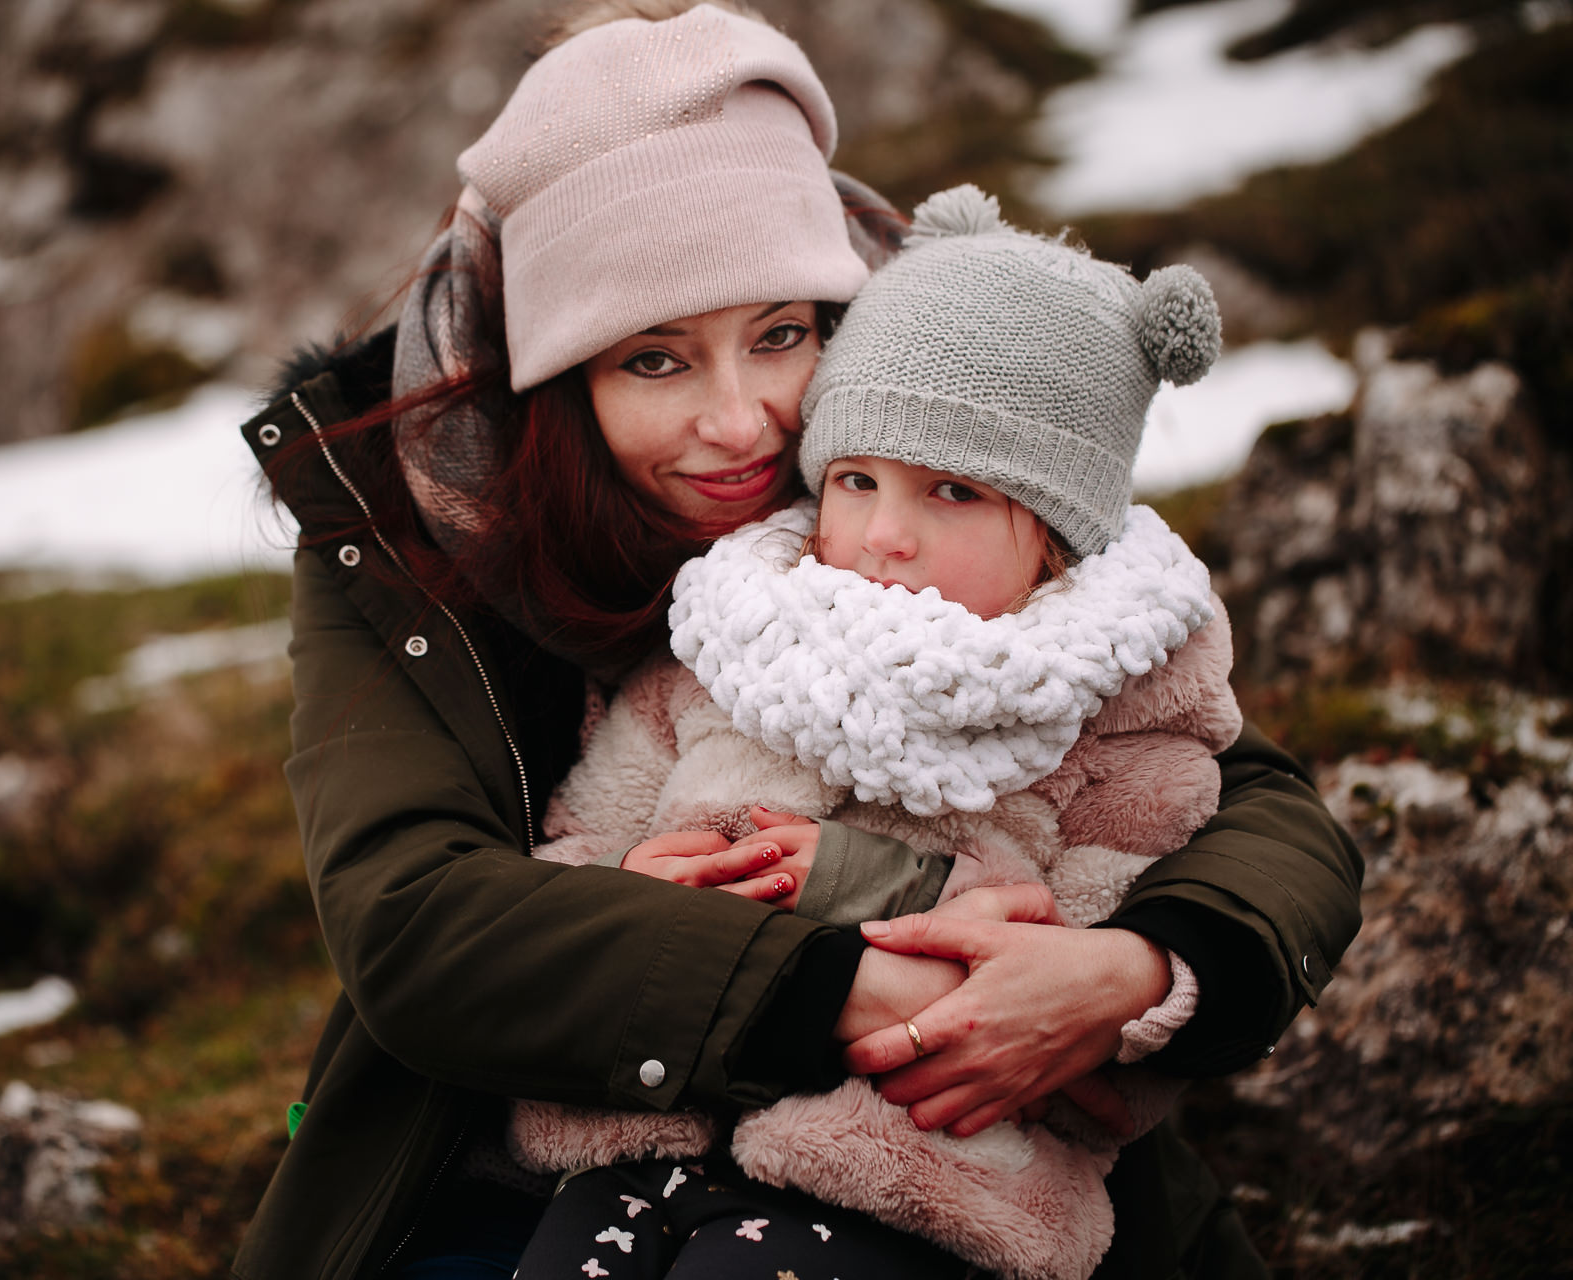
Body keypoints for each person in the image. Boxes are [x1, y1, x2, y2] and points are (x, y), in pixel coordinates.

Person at [232, 5, 1362, 1278]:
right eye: (655, 359)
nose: (744, 423)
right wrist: (826, 986)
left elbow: (1254, 799)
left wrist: (1130, 965)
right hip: (513, 1139)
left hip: (940, 1155)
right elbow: (415, 917)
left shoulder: (935, 433)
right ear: (560, 383)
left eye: (781, 332)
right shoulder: (410, 533)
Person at [507, 184, 1244, 1280]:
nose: (885, 535)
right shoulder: (726, 644)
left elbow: (1085, 1017)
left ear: (1058, 537)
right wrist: (628, 892)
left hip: (916, 1178)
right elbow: (566, 857)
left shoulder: (1116, 716)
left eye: (952, 490)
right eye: (856, 479)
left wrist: (864, 884)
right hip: (650, 1140)